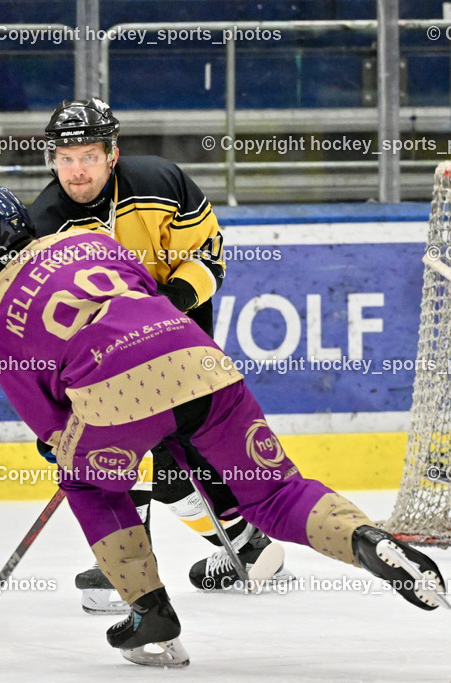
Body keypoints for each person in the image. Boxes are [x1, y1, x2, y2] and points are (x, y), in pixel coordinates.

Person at [0, 184, 449, 668]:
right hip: (200, 364)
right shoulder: (90, 239)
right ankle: (362, 537)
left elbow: (52, 426)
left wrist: (70, 447)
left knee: (89, 486)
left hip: (115, 396)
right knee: (275, 492)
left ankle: (151, 614)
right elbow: (146, 295)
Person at [28, 98, 277, 607]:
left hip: (179, 330)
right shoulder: (44, 226)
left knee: (161, 452)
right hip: (104, 357)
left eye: (88, 156)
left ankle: (157, 563)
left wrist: (168, 305)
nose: (77, 170)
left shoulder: (163, 185)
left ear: (112, 155)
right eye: (66, 157)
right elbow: (50, 327)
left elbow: (207, 256)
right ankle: (240, 544)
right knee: (152, 460)